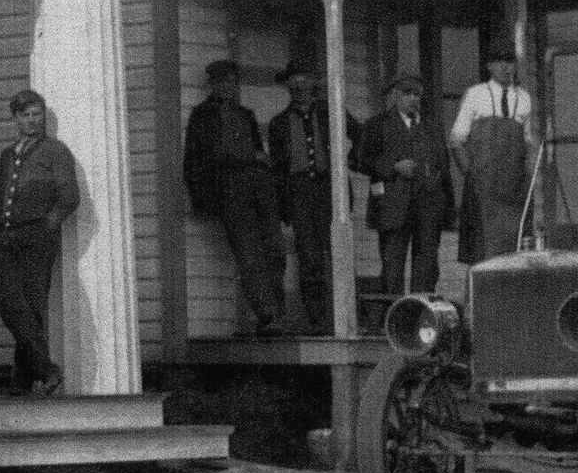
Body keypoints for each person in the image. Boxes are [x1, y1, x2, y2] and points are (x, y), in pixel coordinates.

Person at [181, 58, 290, 336]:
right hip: (231, 189)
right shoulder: (203, 116)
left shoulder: (245, 114)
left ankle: (278, 311)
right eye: (221, 81)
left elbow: (258, 152)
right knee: (249, 254)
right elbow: (204, 156)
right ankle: (267, 315)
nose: (228, 87)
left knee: (275, 249)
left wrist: (263, 168)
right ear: (212, 84)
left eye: (231, 81)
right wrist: (201, 198)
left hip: (260, 187)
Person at [0, 87, 76, 395]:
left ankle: (23, 379)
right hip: (3, 239)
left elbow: (69, 197)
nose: (32, 120)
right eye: (25, 115)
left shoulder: (56, 151)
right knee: (10, 305)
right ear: (15, 119)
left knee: (33, 306)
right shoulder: (7, 154)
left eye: (37, 114)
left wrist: (46, 227)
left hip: (36, 238)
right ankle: (45, 369)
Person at [267, 64, 350, 336]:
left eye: (304, 82)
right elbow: (278, 168)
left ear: (313, 84)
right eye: (294, 84)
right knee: (309, 256)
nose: (300, 88)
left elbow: (360, 135)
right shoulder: (279, 123)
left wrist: (351, 163)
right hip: (300, 191)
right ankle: (316, 318)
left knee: (337, 252)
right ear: (288, 88)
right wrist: (283, 205)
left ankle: (344, 317)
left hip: (328, 187)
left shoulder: (330, 112)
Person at [354, 73, 453, 297]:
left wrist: (445, 205)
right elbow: (360, 161)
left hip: (428, 206)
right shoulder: (377, 125)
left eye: (417, 94)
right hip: (393, 206)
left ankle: (420, 311)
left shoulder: (432, 127)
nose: (413, 98)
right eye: (408, 93)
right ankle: (394, 312)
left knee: (427, 266)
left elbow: (444, 166)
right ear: (395, 95)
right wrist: (393, 166)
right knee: (392, 268)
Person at [450, 47, 536, 265]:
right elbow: (456, 141)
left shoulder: (524, 98)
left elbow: (528, 143)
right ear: (489, 66)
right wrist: (471, 175)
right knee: (484, 253)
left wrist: (528, 178)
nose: (506, 67)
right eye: (499, 62)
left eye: (510, 62)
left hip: (514, 189)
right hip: (484, 189)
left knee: (515, 251)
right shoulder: (475, 94)